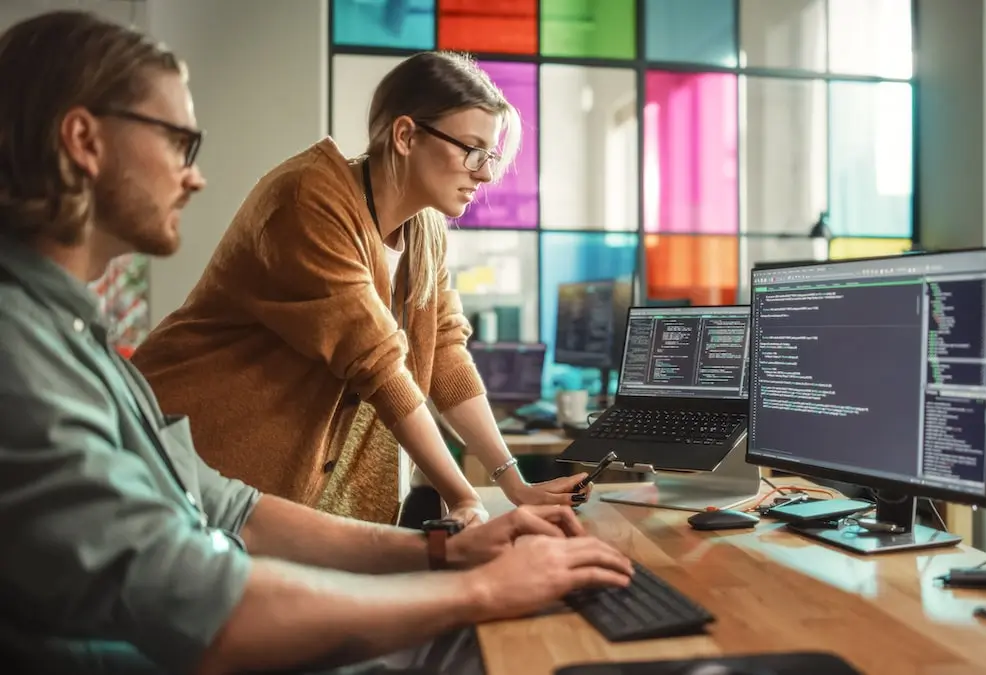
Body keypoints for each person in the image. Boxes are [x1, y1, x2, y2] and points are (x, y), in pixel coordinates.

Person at [0, 11, 632, 674]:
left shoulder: (74, 340)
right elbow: (378, 365)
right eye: (180, 143)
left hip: (225, 550)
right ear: (83, 139)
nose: (196, 177)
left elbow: (231, 508)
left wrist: (456, 546)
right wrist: (473, 565)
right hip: (217, 534)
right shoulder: (25, 355)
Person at [129, 49, 583, 526]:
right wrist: (463, 496)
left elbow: (445, 349)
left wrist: (513, 483)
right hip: (189, 456)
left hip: (280, 497)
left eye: (490, 156)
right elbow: (378, 363)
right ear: (406, 135)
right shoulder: (309, 200)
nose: (486, 173)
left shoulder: (424, 229)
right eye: (472, 150)